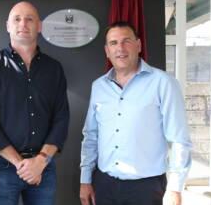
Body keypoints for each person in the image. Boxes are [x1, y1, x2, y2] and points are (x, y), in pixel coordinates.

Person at [80, 21, 192, 205]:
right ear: (107, 50)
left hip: (147, 189)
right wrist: (85, 180)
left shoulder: (163, 83)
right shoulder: (98, 86)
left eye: (126, 41)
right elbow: (91, 136)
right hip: (104, 185)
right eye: (113, 43)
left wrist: (175, 188)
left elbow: (179, 139)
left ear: (138, 45)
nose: (120, 48)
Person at [0, 1, 70, 205]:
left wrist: (40, 161)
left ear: (39, 26)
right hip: (2, 168)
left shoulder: (54, 69)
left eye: (29, 19)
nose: (23, 24)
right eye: (17, 19)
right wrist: (21, 164)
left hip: (43, 166)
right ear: (7, 25)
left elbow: (61, 119)